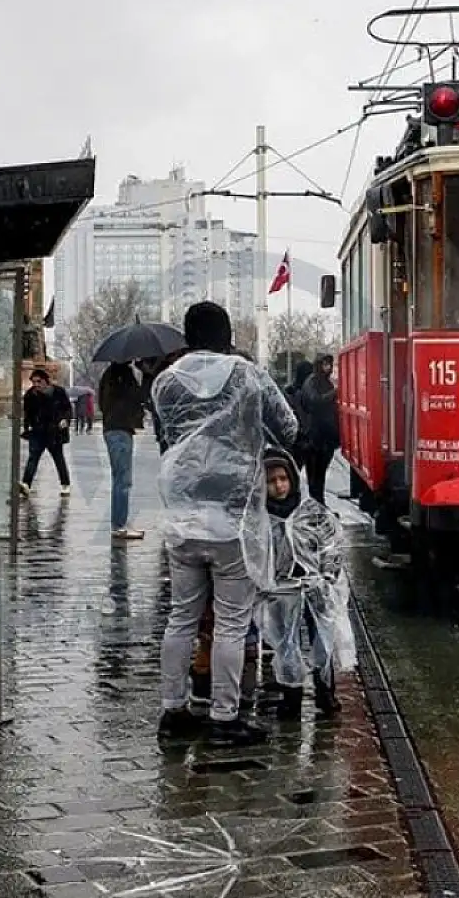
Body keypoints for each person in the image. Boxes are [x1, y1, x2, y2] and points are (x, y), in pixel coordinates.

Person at [153, 301, 298, 746]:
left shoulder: (165, 382)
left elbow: (170, 435)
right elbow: (287, 427)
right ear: (227, 333)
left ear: (187, 336)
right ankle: (224, 716)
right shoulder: (248, 375)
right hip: (233, 517)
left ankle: (173, 711)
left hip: (181, 512)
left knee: (182, 616)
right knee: (232, 622)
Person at [260, 450, 353, 719]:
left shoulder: (310, 512)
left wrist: (327, 575)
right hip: (282, 590)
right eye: (271, 481)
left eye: (283, 479)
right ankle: (292, 695)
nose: (279, 486)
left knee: (322, 639)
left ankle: (326, 690)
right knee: (286, 644)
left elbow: (330, 544)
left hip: (314, 587)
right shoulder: (260, 518)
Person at [98, 362, 145, 540]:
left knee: (119, 479)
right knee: (123, 480)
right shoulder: (123, 374)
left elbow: (102, 403)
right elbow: (136, 397)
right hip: (120, 428)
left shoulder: (109, 374)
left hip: (112, 427)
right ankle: (119, 525)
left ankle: (119, 523)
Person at [19, 368, 72, 496]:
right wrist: (26, 429)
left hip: (54, 431)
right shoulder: (30, 395)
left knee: (58, 459)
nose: (36, 384)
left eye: (39, 381)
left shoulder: (58, 392)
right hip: (38, 431)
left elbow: (67, 408)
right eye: (33, 381)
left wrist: (65, 420)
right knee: (33, 458)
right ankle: (26, 484)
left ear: (46, 381)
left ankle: (65, 484)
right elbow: (27, 414)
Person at [296, 354, 340, 503]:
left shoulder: (326, 382)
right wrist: (335, 393)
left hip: (326, 439)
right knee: (315, 478)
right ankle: (316, 507)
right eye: (325, 364)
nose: (328, 367)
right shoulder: (312, 382)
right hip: (315, 439)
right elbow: (315, 400)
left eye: (330, 364)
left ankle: (319, 506)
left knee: (320, 477)